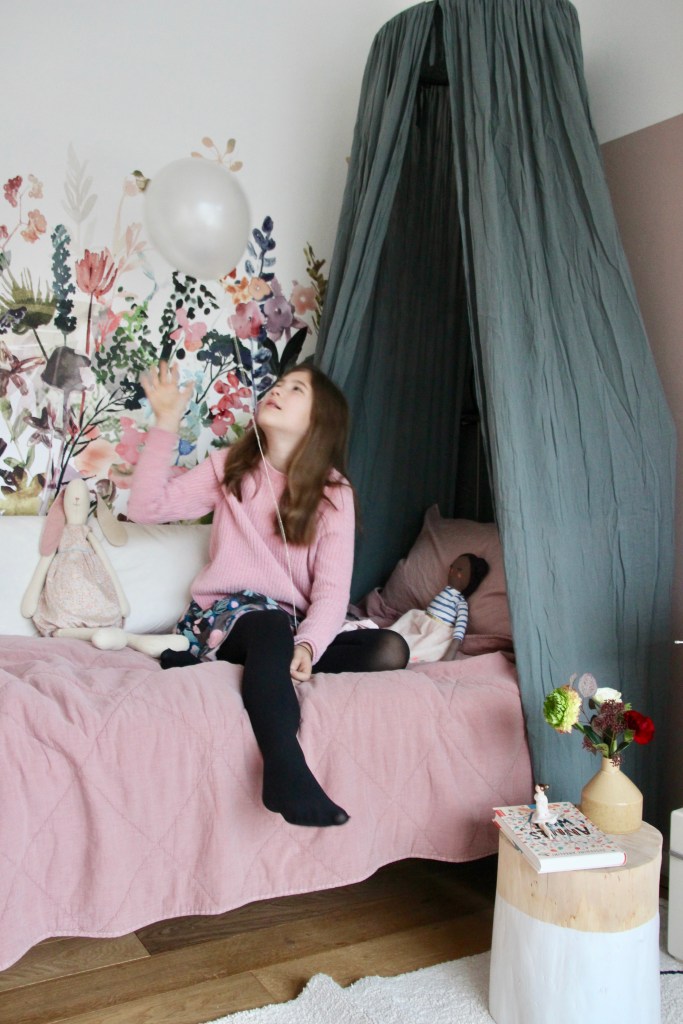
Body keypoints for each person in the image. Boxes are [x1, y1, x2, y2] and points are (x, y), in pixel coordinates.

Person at [127, 360, 409, 829]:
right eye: (279, 384)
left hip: (288, 626)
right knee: (269, 626)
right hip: (224, 618)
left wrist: (309, 646)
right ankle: (285, 768)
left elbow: (331, 592)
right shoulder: (231, 468)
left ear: (319, 421)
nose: (278, 390)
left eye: (296, 389)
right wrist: (166, 421)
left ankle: (270, 667)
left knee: (389, 647)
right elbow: (145, 508)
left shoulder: (334, 494)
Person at [390, 553, 489, 663]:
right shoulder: (446, 591)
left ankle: (405, 655)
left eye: (459, 570)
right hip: (423, 619)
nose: (452, 572)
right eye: (452, 567)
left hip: (437, 629)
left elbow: (461, 627)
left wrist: (452, 650)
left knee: (424, 645)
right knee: (409, 619)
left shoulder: (460, 603)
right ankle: (389, 635)